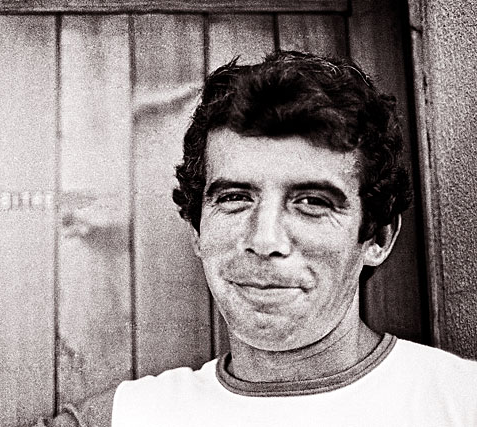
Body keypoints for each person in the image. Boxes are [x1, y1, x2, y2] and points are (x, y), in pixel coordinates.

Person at [52, 50, 477, 427]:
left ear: (377, 238)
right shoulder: (123, 418)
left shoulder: (460, 403)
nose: (264, 239)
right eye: (235, 198)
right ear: (198, 230)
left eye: (312, 201)